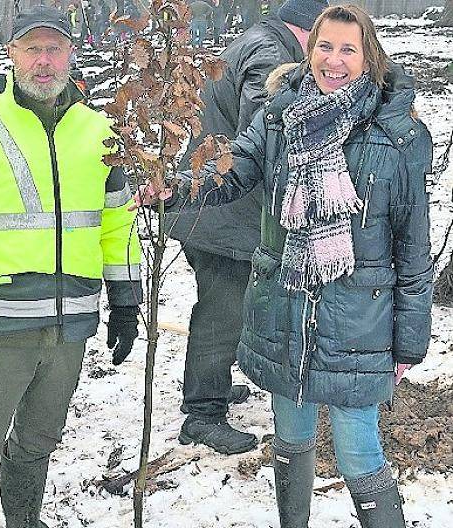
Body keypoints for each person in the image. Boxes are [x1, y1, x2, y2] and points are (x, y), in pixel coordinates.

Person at [143, 6, 431, 526]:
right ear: (309, 49)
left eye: (348, 49)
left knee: (358, 451)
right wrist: (177, 188)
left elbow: (412, 245)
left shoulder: (397, 135)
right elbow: (234, 170)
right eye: (325, 47)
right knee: (290, 438)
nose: (334, 60)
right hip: (285, 306)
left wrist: (409, 341)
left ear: (369, 57)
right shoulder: (279, 114)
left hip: (358, 320)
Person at [0, 6, 141, 527]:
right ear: (11, 54)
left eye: (54, 49)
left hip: (70, 327)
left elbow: (118, 224)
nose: (43, 62)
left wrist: (125, 301)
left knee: (39, 441)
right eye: (32, 49)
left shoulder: (101, 132)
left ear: (71, 53)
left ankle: (23, 521)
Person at [165, 0, 328, 456]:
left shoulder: (258, 39)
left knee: (225, 308)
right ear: (307, 31)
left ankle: (211, 383)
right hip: (223, 210)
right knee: (222, 312)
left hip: (213, 203)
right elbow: (267, 132)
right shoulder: (270, 55)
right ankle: (203, 413)